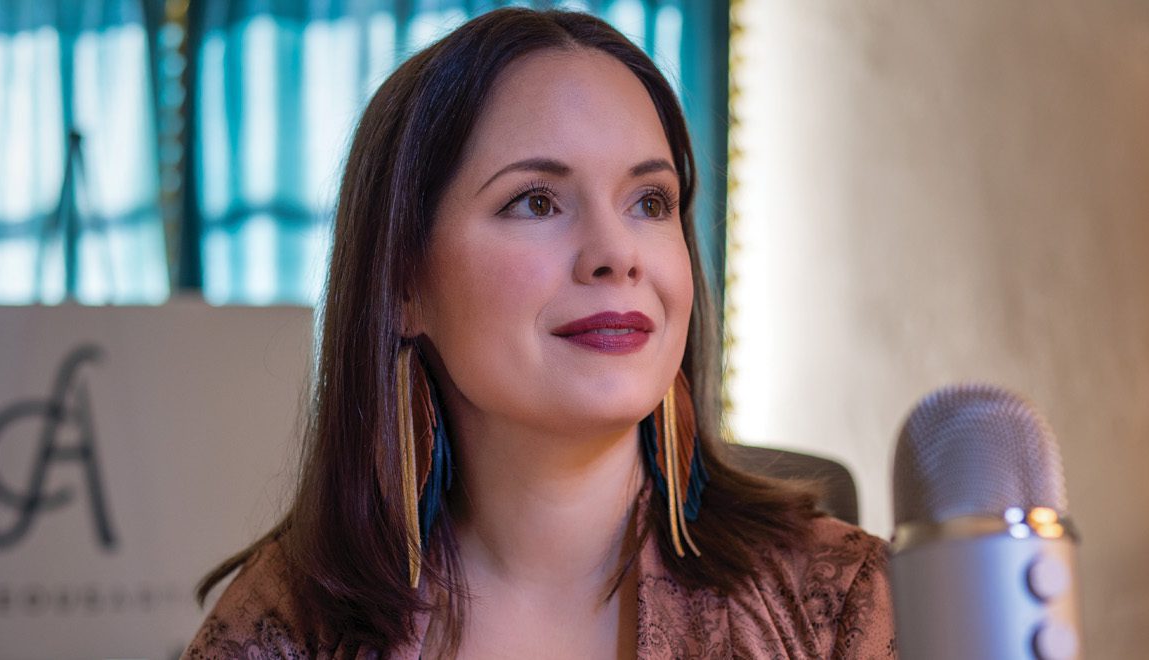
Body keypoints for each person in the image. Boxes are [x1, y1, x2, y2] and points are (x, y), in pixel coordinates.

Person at [183, 7, 895, 658]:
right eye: (536, 202)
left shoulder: (842, 605)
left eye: (650, 201)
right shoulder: (283, 630)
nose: (617, 253)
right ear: (403, 282)